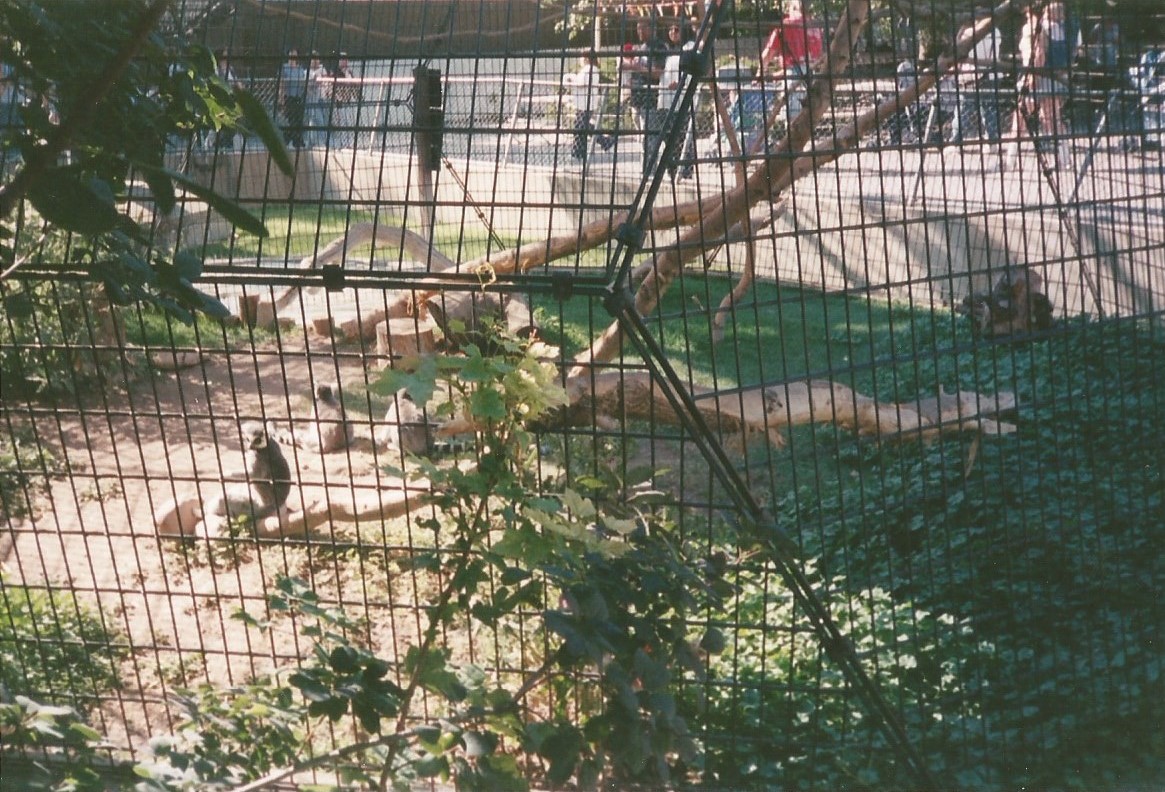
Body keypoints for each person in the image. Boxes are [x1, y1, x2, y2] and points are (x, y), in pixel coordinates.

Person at [1003, 3, 1072, 168]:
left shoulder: (1034, 28)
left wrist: (1031, 78)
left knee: (1020, 118)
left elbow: (1038, 54)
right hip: (1053, 77)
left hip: (1036, 76)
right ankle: (1064, 158)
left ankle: (1010, 161)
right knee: (1051, 118)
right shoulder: (1057, 28)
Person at [620, 18, 669, 174]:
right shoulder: (642, 47)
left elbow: (657, 72)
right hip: (639, 100)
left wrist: (635, 67)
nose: (639, 31)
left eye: (642, 28)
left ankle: (650, 171)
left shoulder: (659, 47)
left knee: (651, 137)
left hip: (652, 100)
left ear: (652, 28)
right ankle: (648, 170)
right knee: (645, 138)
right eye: (637, 28)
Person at [562, 51, 612, 163]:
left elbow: (581, 83)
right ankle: (604, 142)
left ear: (586, 58)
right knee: (582, 126)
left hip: (585, 103)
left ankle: (578, 153)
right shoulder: (591, 70)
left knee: (579, 127)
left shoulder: (588, 70)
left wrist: (570, 78)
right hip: (585, 102)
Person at [278, 48, 307, 149]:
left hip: (298, 97)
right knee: (291, 121)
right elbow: (282, 83)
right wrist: (281, 98)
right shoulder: (284, 68)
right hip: (289, 97)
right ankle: (289, 140)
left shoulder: (300, 68)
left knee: (299, 120)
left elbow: (303, 81)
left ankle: (296, 141)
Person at [329, 52, 357, 148]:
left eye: (345, 59)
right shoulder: (335, 71)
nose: (344, 61)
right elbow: (333, 85)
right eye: (342, 59)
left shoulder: (349, 71)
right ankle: (342, 143)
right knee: (342, 122)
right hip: (339, 101)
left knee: (349, 122)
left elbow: (354, 85)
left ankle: (349, 143)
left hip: (348, 100)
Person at [215, 51, 240, 150]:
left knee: (234, 122)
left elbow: (236, 81)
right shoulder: (217, 71)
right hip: (222, 100)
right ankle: (214, 143)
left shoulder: (231, 69)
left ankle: (226, 143)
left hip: (232, 99)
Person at [305, 51, 328, 147]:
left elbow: (326, 81)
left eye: (316, 59)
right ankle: (317, 142)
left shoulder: (322, 69)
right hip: (312, 100)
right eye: (313, 59)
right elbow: (308, 86)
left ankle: (319, 142)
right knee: (315, 120)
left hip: (322, 98)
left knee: (324, 120)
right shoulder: (307, 72)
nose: (315, 61)